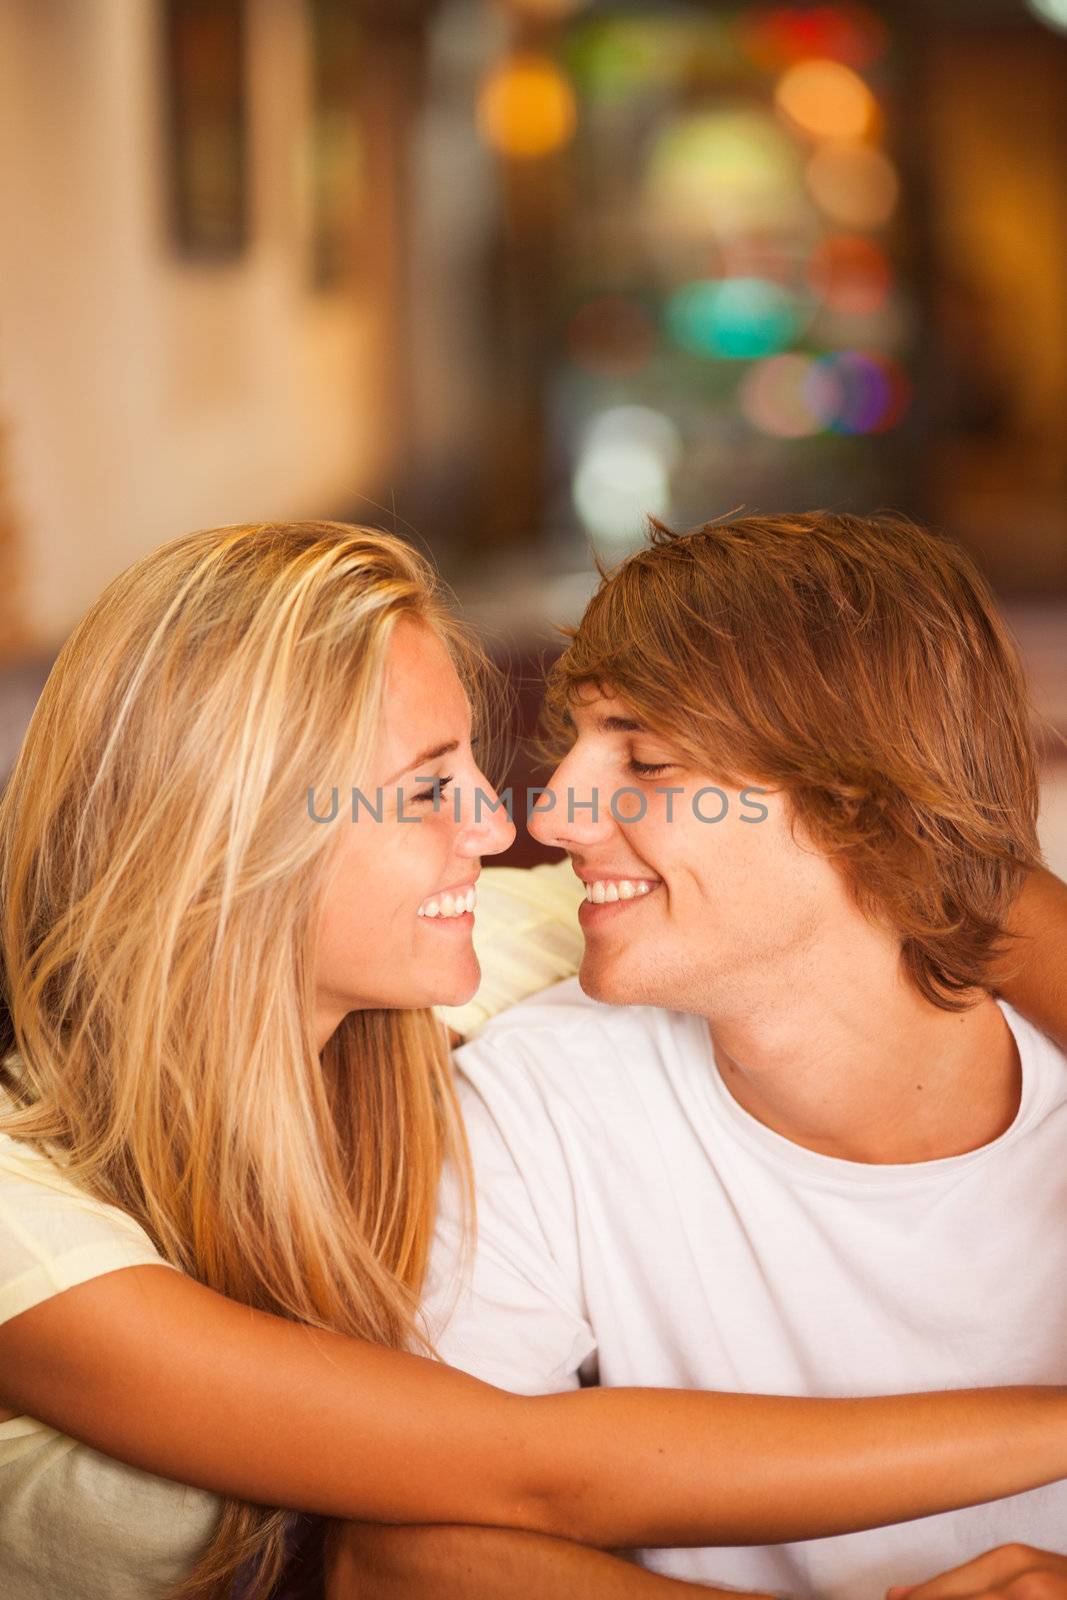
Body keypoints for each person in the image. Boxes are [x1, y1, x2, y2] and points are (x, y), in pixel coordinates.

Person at [6, 520, 1065, 1600]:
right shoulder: (21, 1212)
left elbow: (944, 865)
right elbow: (521, 1479)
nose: (519, 819)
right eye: (424, 788)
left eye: (643, 759)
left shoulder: (491, 941)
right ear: (233, 833)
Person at [334, 513, 1067, 1600]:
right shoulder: (537, 1105)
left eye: (648, 759)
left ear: (859, 806)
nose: (555, 813)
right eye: (575, 744)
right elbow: (398, 1558)